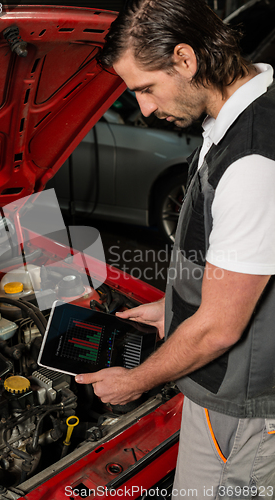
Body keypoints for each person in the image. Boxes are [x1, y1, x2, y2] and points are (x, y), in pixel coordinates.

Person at [75, 0, 275, 497]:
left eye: (145, 88)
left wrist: (136, 381)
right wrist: (172, 312)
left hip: (238, 412)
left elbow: (219, 330)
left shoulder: (253, 158)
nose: (142, 108)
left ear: (185, 60)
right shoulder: (241, 118)